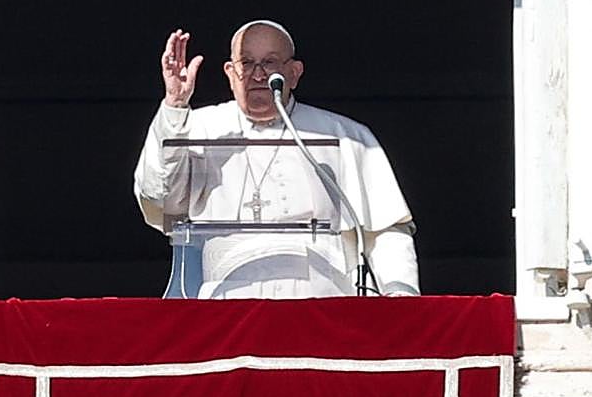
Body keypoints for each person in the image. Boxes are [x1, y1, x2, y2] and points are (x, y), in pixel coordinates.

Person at [134, 20, 419, 298]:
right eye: (246, 63)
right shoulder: (196, 127)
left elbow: (385, 230)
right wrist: (174, 105)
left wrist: (400, 294)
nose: (258, 75)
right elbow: (161, 197)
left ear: (294, 73)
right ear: (230, 72)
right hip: (228, 301)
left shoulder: (345, 135)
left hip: (322, 297)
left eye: (269, 63)